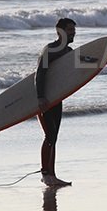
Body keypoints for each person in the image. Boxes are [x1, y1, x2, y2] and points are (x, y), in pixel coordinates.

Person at [35, 18, 76, 186]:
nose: (73, 33)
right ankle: (45, 174)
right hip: (44, 99)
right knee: (49, 135)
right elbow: (40, 74)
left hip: (57, 98)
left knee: (54, 137)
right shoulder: (49, 50)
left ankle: (52, 174)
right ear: (59, 31)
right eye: (69, 30)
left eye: (74, 30)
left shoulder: (69, 51)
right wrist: (40, 97)